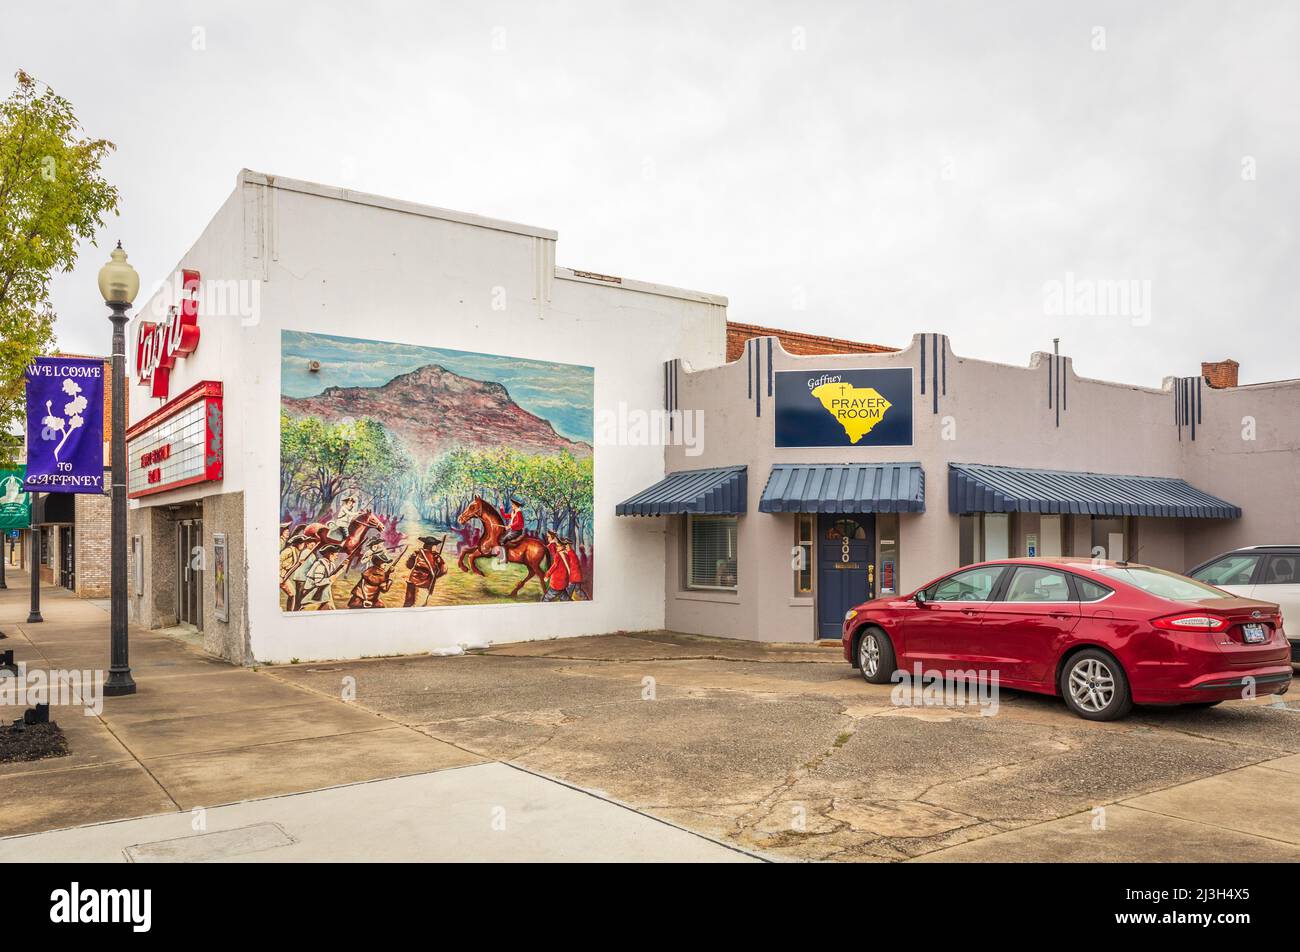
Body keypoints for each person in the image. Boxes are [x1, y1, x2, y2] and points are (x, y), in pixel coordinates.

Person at [347, 540, 396, 609]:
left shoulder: (372, 570)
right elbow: (384, 588)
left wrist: (387, 573)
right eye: (384, 563)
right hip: (362, 600)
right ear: (379, 563)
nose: (385, 564)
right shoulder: (379, 574)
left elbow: (379, 579)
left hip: (361, 597)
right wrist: (389, 577)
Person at [402, 536, 446, 607]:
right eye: (435, 545)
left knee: (408, 605)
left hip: (412, 582)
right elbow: (444, 570)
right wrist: (435, 575)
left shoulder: (417, 553)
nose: (435, 547)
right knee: (420, 606)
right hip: (424, 585)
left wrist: (412, 557)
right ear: (432, 546)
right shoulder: (435, 556)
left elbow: (409, 566)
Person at [496, 497, 526, 566]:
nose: (512, 506)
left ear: (516, 505)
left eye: (512, 505)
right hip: (512, 531)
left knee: (503, 540)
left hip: (517, 532)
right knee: (501, 538)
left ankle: (504, 559)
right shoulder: (514, 513)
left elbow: (520, 523)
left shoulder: (519, 513)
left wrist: (510, 526)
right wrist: (501, 506)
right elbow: (505, 516)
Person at [541, 530, 569, 601]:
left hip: (557, 580)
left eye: (548, 537)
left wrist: (547, 575)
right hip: (563, 581)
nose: (548, 538)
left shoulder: (553, 547)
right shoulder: (566, 554)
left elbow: (555, 564)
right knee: (564, 598)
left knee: (546, 599)